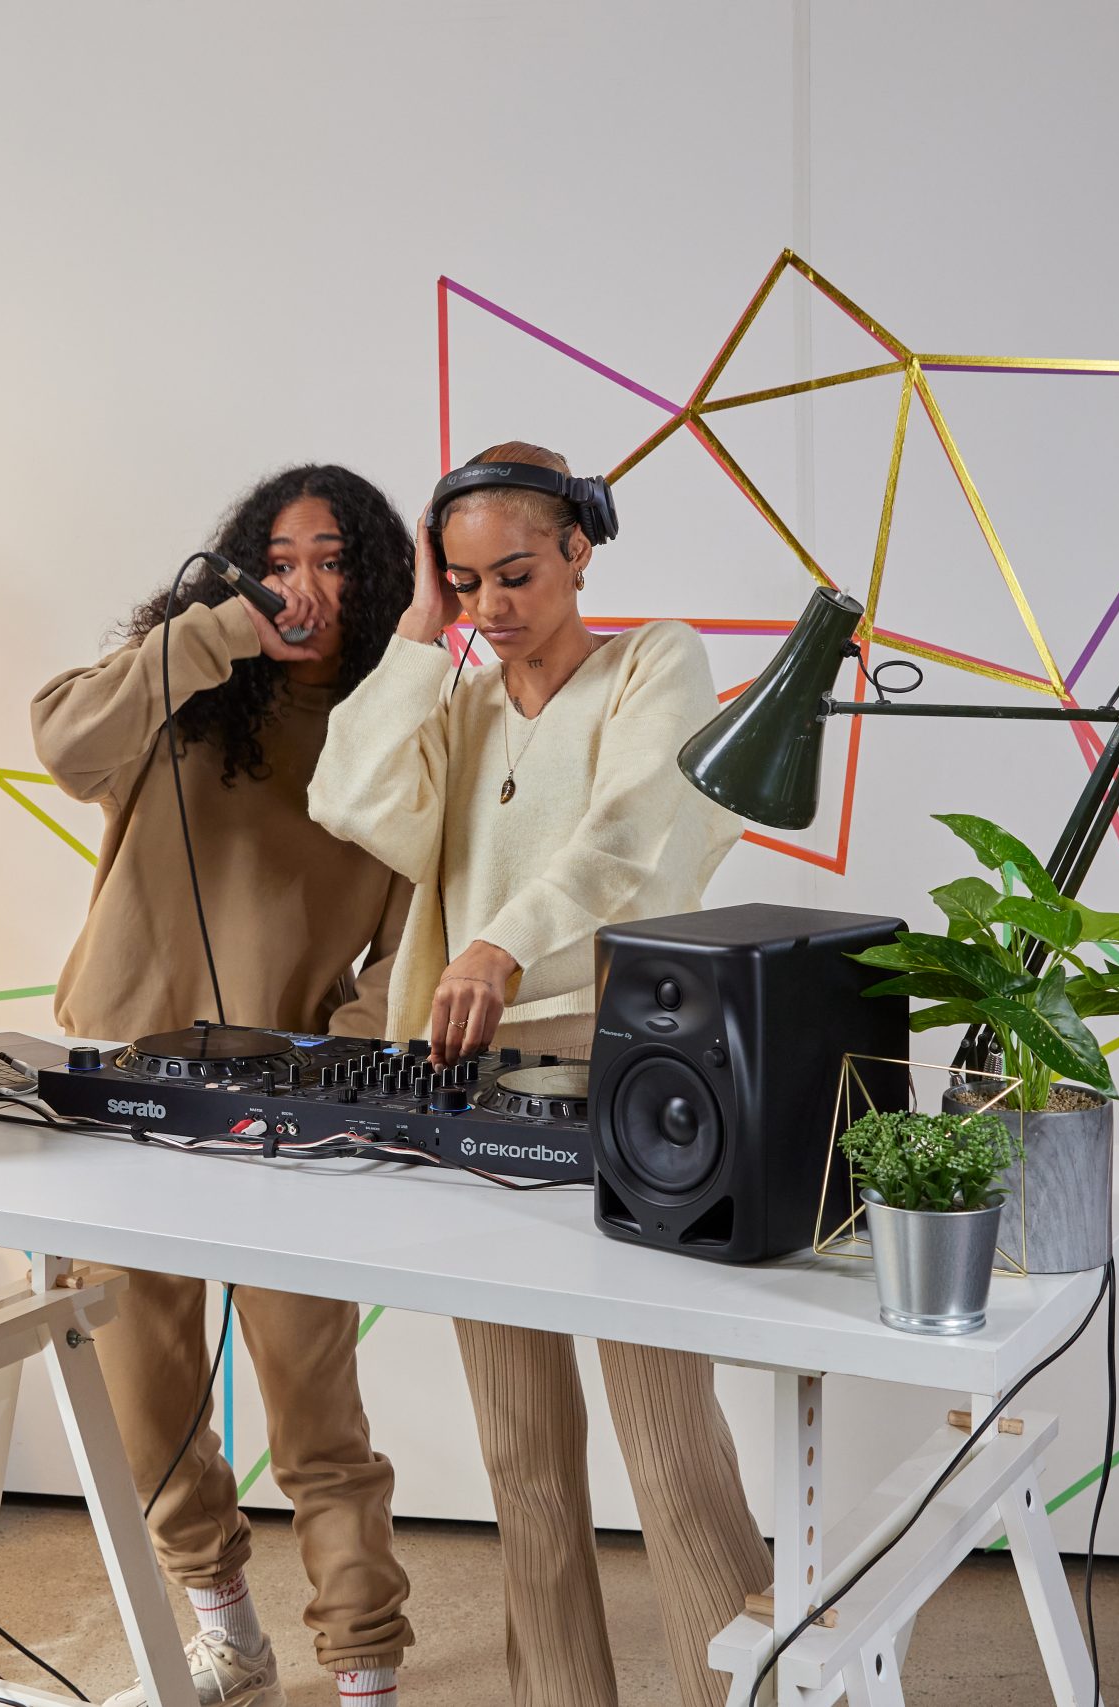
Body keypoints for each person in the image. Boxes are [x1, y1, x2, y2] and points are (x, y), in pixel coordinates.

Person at [308, 443, 773, 1707]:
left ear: (579, 548)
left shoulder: (655, 664)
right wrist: (418, 629)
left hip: (639, 1084)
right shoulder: (457, 706)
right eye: (465, 583)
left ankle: (743, 1698)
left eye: (513, 574)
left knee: (670, 1452)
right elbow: (349, 797)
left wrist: (498, 946)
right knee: (521, 1456)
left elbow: (630, 838)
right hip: (473, 1082)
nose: (492, 606)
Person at [30, 464, 420, 1707]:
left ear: (375, 584)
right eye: (282, 561)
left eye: (334, 563)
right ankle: (226, 1633)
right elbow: (62, 743)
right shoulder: (180, 686)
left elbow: (416, 928)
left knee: (315, 1415)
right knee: (144, 1398)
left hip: (285, 1108)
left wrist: (337, 1055)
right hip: (123, 1087)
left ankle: (362, 1665)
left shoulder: (398, 729)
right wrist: (208, 636)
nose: (305, 588)